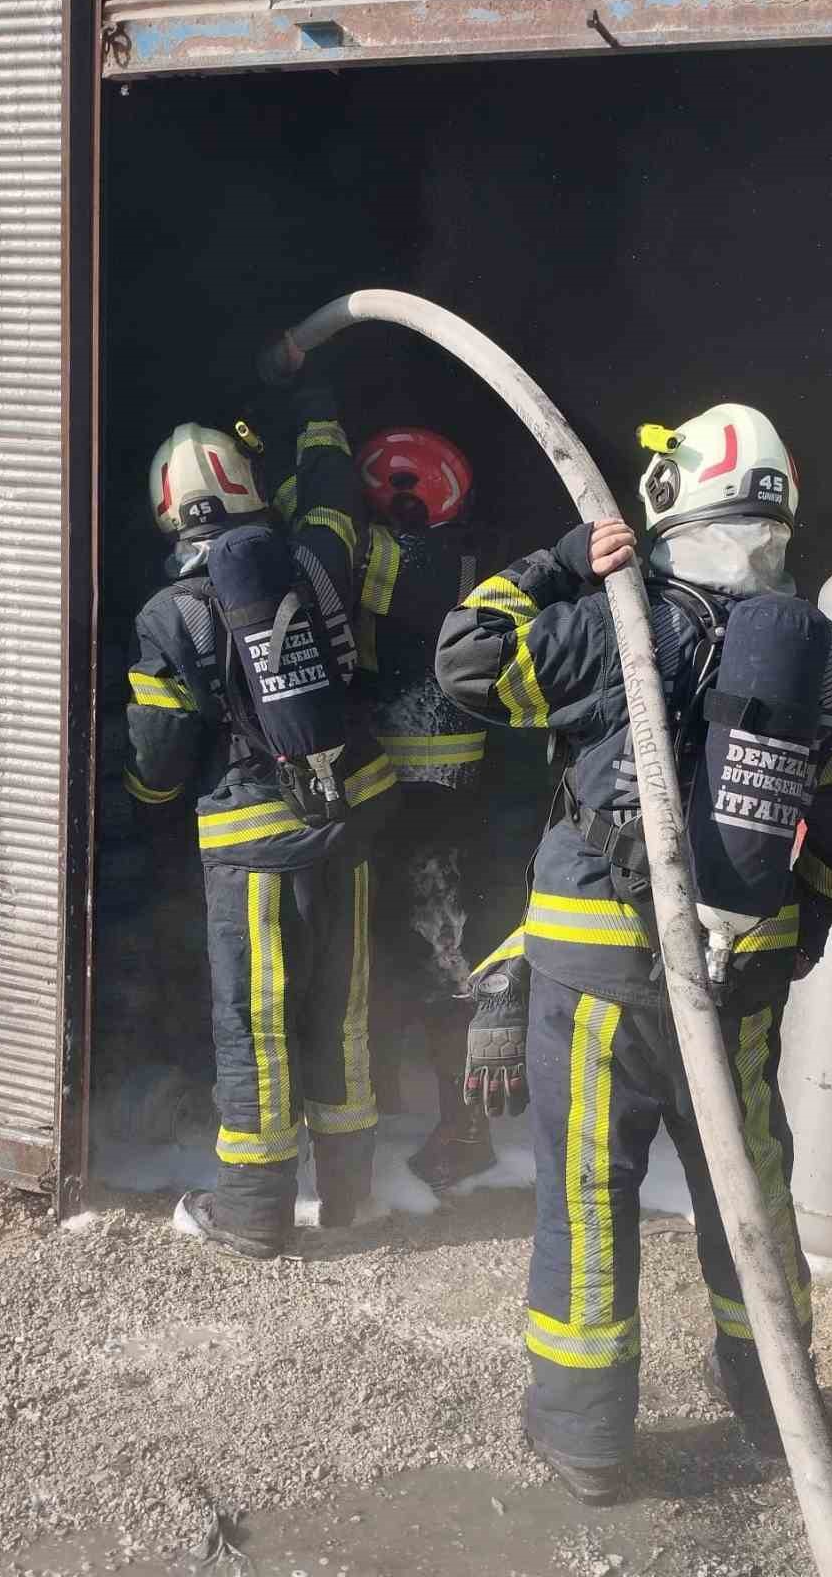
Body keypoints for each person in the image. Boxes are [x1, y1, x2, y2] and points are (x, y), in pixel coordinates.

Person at [434, 404, 832, 1504]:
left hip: (597, 976)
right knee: (753, 1190)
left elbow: (466, 660)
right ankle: (775, 1403)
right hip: (742, 978)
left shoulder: (608, 622)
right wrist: (798, 929)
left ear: (668, 502)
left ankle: (589, 1439)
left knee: (590, 1195)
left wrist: (552, 563)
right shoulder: (827, 655)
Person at [124, 394, 398, 1259]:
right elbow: (330, 502)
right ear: (249, 488)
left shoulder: (170, 612)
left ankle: (251, 1212)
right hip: (344, 821)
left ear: (167, 510)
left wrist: (150, 802)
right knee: (340, 1009)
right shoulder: (316, 559)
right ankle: (353, 1195)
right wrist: (317, 410)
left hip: (249, 846)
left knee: (256, 1025)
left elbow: (162, 752)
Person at [341, 426, 507, 1189]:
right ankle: (432, 1110)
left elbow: (336, 557)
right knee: (418, 957)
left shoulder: (422, 559)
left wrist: (317, 491)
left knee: (446, 962)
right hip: (419, 797)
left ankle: (465, 1129)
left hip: (428, 804)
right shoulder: (461, 550)